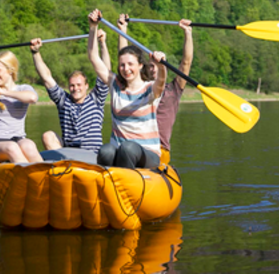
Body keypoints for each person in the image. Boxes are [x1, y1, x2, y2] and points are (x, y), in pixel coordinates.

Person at [87, 9, 167, 169]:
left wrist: (161, 65)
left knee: (128, 147)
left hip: (147, 153)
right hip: (119, 151)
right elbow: (93, 57)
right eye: (122, 65)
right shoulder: (115, 84)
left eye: (130, 64)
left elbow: (161, 80)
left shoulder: (150, 89)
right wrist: (93, 27)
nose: (126, 68)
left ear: (140, 65)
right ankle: (106, 183)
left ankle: (127, 185)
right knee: (106, 150)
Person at [117, 14, 193, 165]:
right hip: (134, 146)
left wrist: (188, 33)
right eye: (151, 65)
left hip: (159, 149)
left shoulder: (173, 90)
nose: (154, 69)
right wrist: (122, 30)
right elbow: (125, 59)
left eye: (158, 65)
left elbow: (186, 62)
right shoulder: (139, 88)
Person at [30, 30, 111, 152]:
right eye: (72, 85)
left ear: (86, 86)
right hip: (69, 155)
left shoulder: (96, 99)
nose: (75, 88)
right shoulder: (63, 100)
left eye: (79, 85)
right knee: (48, 136)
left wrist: (102, 43)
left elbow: (105, 71)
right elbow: (46, 77)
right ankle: (63, 166)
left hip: (93, 154)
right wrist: (35, 52)